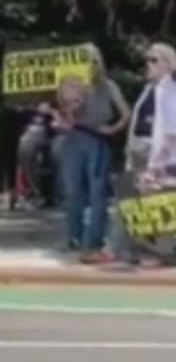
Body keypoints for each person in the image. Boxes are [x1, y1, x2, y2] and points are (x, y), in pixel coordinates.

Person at [51, 49, 129, 263]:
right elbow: (65, 116)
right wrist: (69, 105)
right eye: (86, 61)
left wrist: (113, 129)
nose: (91, 65)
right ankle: (74, 237)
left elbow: (125, 112)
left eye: (94, 61)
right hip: (75, 138)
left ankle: (93, 240)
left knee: (97, 193)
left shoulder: (109, 86)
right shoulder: (72, 83)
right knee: (74, 190)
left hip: (98, 140)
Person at [107, 42, 176, 266]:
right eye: (147, 59)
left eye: (154, 60)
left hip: (159, 155)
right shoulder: (151, 89)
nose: (148, 64)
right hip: (140, 151)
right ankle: (127, 250)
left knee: (157, 203)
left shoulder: (170, 90)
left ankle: (158, 254)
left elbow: (170, 131)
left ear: (169, 64)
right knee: (134, 203)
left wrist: (158, 162)